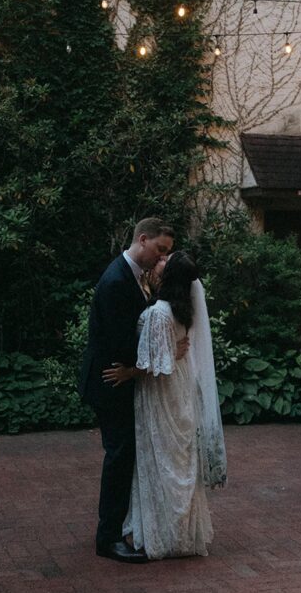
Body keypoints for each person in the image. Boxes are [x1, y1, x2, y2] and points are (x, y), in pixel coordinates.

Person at [103, 251, 226, 560]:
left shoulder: (159, 312)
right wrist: (172, 349)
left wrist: (128, 372)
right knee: (178, 457)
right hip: (181, 385)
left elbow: (153, 364)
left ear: (168, 274)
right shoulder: (185, 309)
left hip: (160, 389)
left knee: (159, 456)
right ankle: (181, 531)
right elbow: (172, 350)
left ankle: (163, 532)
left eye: (164, 260)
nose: (159, 259)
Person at [79, 217, 177, 563]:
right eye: (160, 250)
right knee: (119, 457)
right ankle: (107, 539)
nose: (161, 258)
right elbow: (123, 339)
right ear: (143, 239)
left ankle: (118, 527)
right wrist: (140, 366)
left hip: (118, 376)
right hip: (111, 379)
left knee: (123, 456)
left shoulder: (132, 276)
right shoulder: (117, 280)